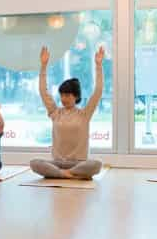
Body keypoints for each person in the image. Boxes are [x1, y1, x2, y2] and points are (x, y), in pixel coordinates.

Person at [30, 46, 105, 180]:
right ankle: (68, 174)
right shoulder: (55, 113)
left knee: (96, 165)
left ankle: (64, 174)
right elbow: (43, 91)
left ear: (76, 96)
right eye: (62, 95)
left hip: (79, 162)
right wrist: (43, 66)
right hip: (58, 163)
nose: (64, 99)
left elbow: (98, 92)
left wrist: (98, 66)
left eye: (67, 95)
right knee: (35, 163)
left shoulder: (84, 114)